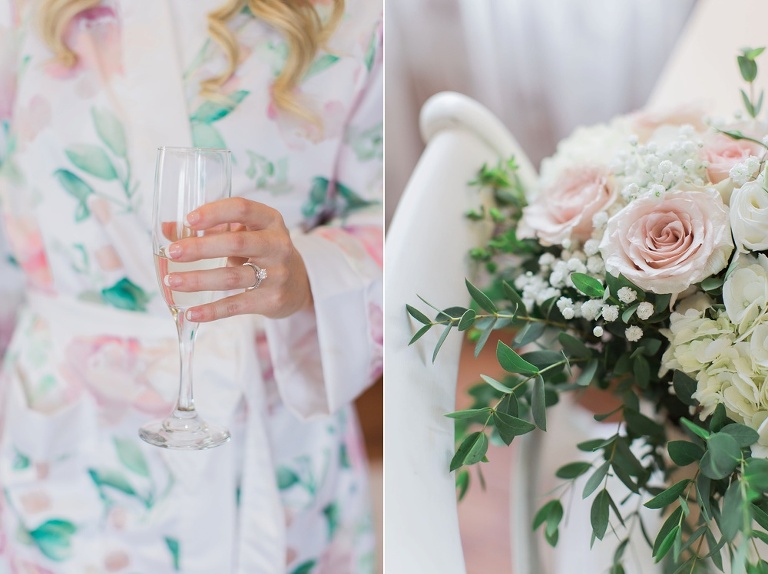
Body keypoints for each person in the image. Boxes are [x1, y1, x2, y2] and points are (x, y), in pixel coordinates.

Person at [0, 0, 382, 572]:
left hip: (272, 431)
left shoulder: (355, 20)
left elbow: (394, 224)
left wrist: (307, 275)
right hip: (68, 439)